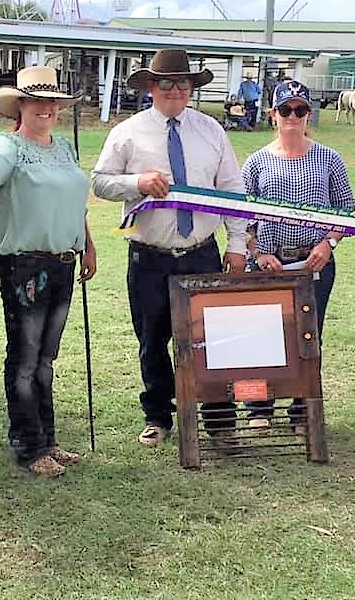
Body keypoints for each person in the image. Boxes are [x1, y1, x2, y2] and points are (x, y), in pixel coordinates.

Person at [92, 49, 250, 447]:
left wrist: (237, 244)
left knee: (214, 338)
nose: (175, 90)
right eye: (166, 83)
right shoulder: (126, 132)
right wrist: (137, 183)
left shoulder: (211, 130)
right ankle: (158, 416)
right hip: (149, 255)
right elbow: (100, 182)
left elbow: (231, 188)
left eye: (183, 83)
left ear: (191, 88)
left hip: (202, 252)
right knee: (151, 338)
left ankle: (219, 419)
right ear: (150, 87)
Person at [0, 66, 96, 477]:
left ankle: (47, 440)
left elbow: (74, 200)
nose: (45, 108)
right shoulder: (8, 144)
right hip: (26, 266)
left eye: (52, 102)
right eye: (37, 101)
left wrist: (88, 244)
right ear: (22, 106)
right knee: (26, 360)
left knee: (46, 359)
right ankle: (28, 447)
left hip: (65, 262)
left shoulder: (64, 147)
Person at [240, 80, 355, 433]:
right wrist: (258, 252)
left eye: (300, 110)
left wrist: (327, 244)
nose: (293, 116)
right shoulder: (256, 162)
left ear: (309, 115)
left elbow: (346, 211)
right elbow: (239, 215)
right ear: (273, 114)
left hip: (312, 263)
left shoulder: (329, 159)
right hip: (268, 262)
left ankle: (302, 410)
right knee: (263, 337)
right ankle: (260, 406)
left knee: (308, 337)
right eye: (285, 109)